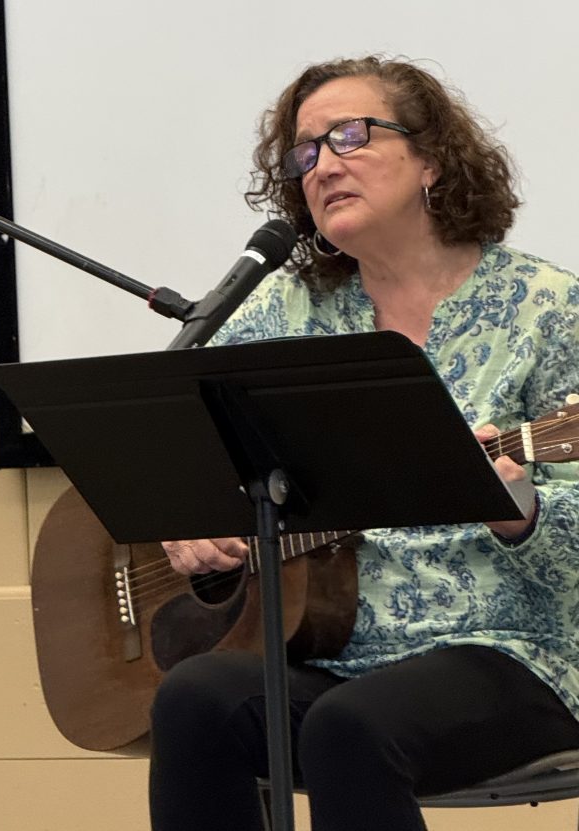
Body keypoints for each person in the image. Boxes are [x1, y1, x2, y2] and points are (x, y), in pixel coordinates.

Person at [148, 55, 579, 831]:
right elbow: (175, 436)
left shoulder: (547, 309)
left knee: (349, 727)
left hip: (518, 650)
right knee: (195, 698)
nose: (323, 165)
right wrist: (189, 518)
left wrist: (520, 507)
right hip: (332, 649)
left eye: (350, 136)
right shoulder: (285, 307)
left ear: (432, 161)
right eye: (306, 152)